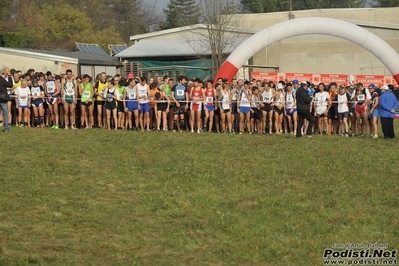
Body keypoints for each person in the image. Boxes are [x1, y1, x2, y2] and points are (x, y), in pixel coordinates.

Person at [0, 67, 14, 133]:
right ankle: (6, 128)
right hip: (2, 98)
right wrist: (10, 78)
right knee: (5, 113)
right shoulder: (2, 80)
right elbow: (10, 85)